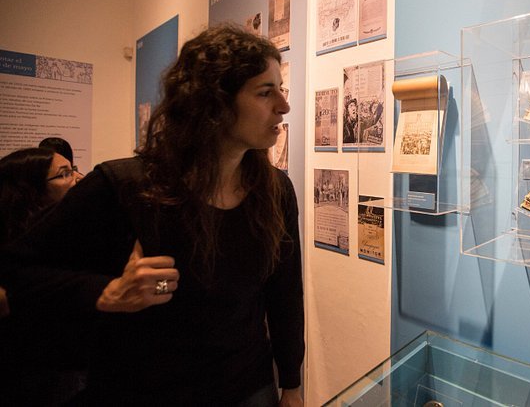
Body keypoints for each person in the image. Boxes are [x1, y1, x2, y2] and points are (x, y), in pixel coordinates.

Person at [1, 25, 304, 406]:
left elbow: (285, 294)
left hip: (247, 387)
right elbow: (17, 268)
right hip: (147, 391)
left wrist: (291, 384)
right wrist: (106, 292)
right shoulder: (124, 188)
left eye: (281, 88)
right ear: (214, 103)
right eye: (265, 92)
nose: (284, 105)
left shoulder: (274, 190)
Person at [0, 147, 83, 405]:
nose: (79, 177)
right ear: (31, 191)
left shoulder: (64, 234)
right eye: (65, 174)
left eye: (74, 168)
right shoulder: (16, 252)